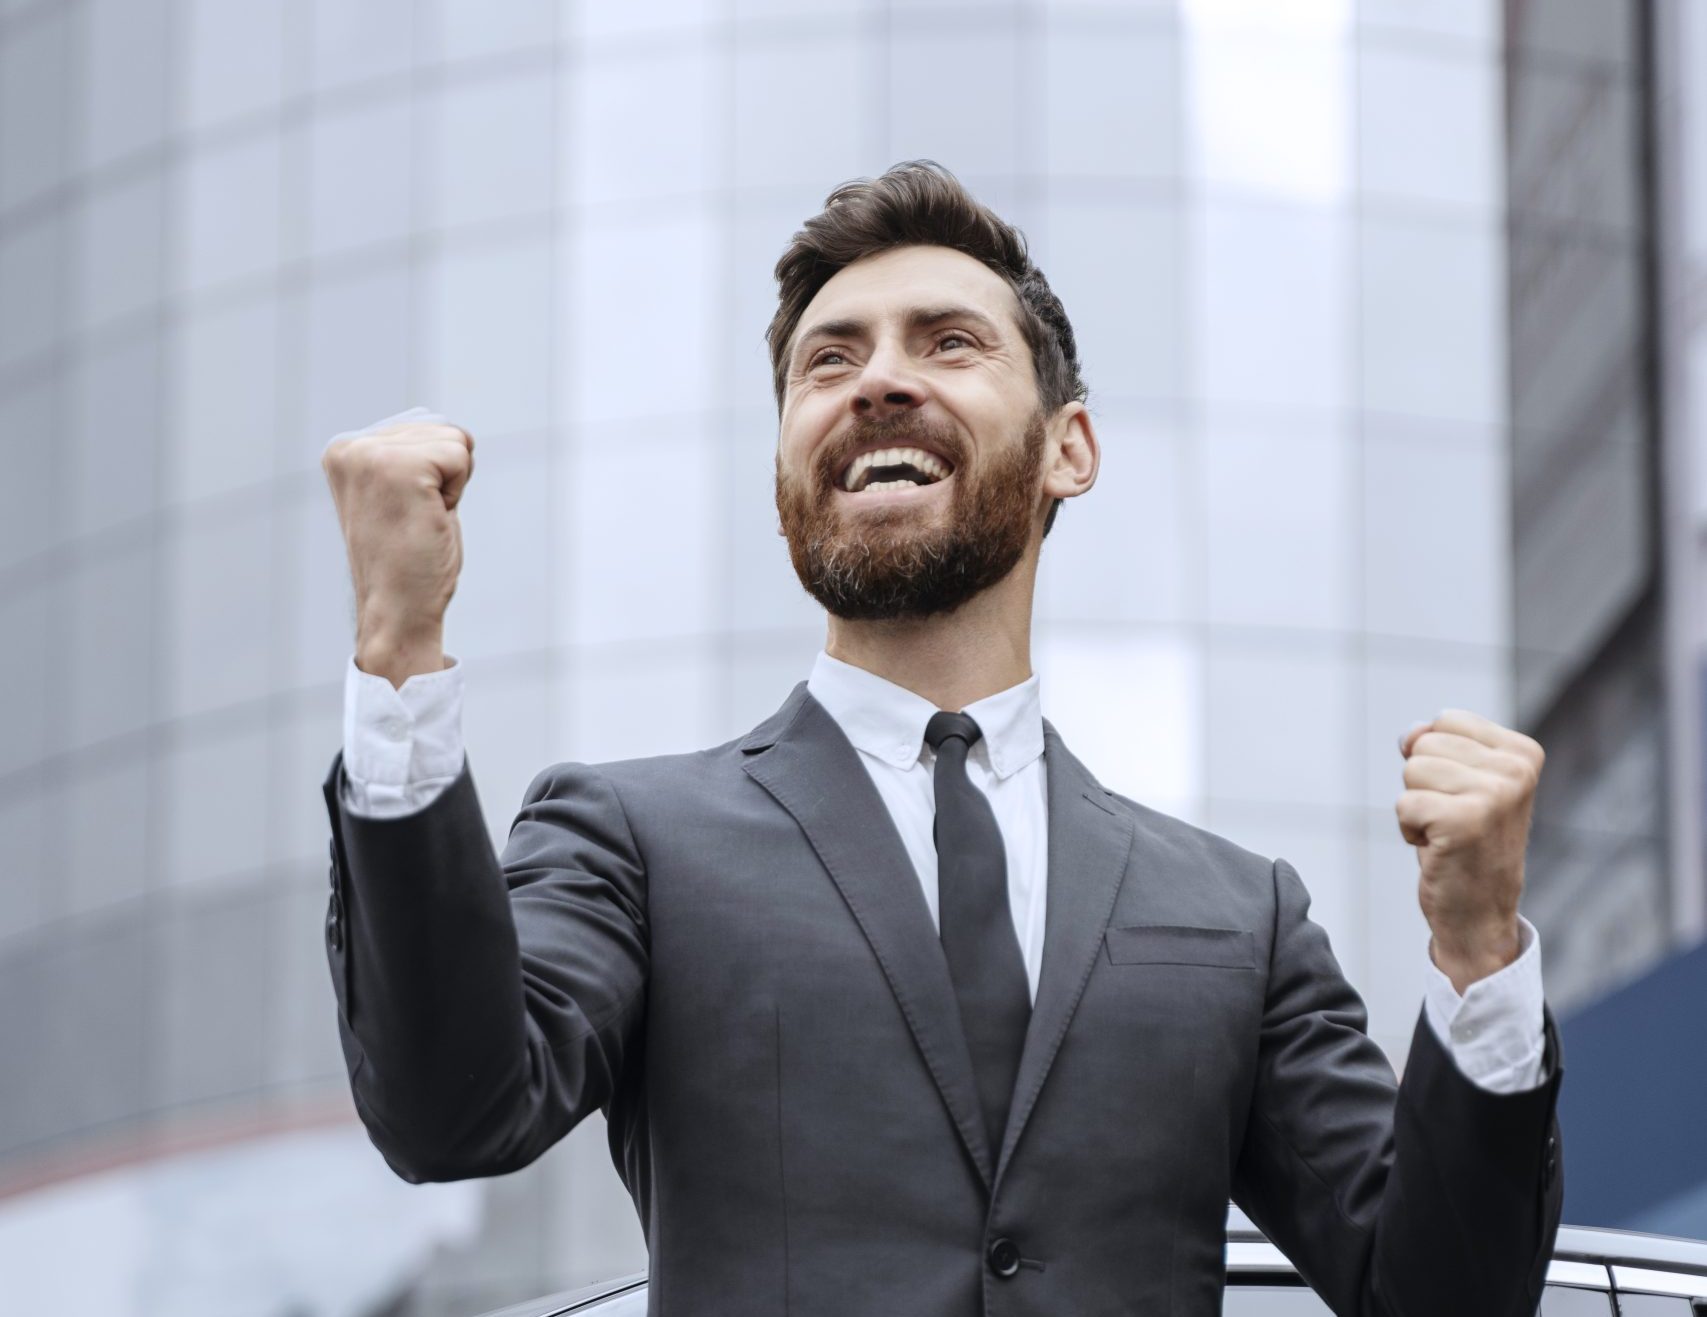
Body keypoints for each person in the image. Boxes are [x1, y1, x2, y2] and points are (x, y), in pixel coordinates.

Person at [319, 161, 1561, 1316]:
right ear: (786, 471)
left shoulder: (1244, 916)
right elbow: (452, 1110)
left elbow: (1442, 1296)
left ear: (1068, 449)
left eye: (949, 344)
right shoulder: (634, 839)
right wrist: (400, 655)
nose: (878, 381)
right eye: (828, 362)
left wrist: (1477, 948)